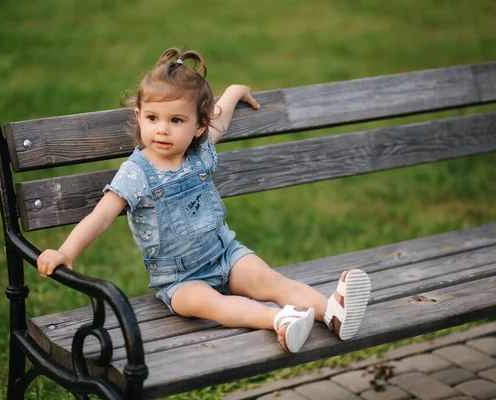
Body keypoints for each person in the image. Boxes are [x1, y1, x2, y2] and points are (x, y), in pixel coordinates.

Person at [37, 47, 371, 353]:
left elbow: (221, 116)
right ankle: (279, 321)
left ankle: (332, 312)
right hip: (181, 281)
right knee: (214, 305)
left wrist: (236, 91)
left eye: (176, 121)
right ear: (139, 116)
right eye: (153, 118)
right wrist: (66, 251)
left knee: (270, 280)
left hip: (224, 253)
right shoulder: (136, 173)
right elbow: (101, 215)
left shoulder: (200, 149)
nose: (163, 130)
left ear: (198, 127)